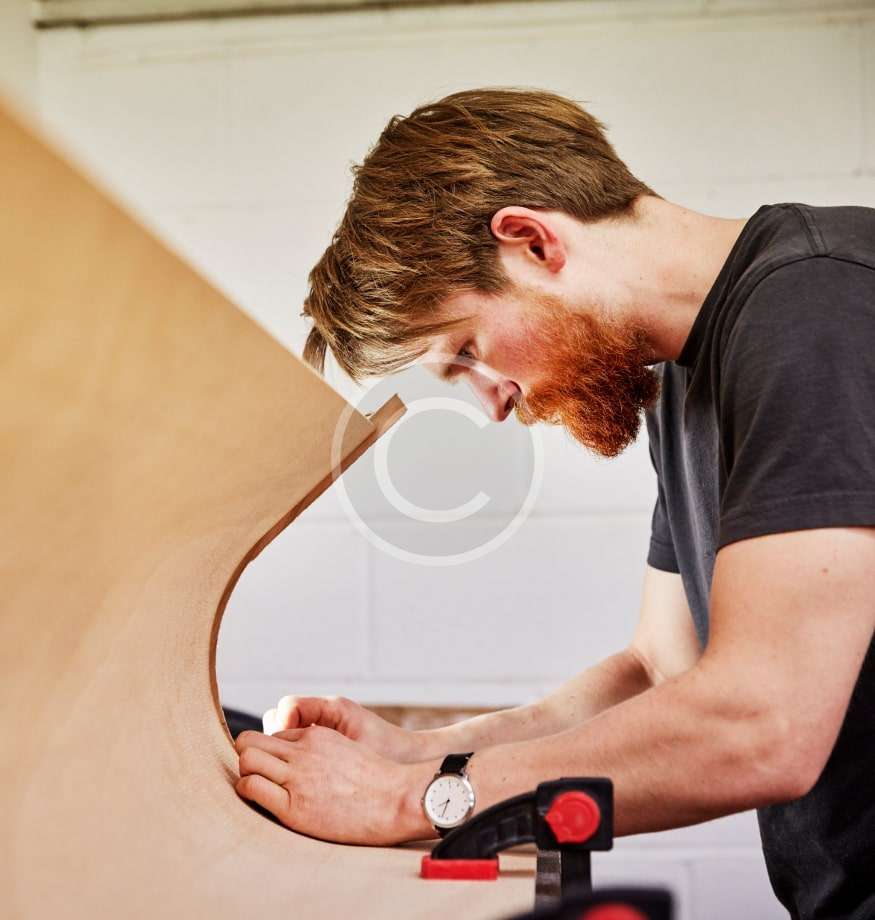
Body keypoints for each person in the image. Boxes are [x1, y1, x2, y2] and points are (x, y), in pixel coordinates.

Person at [233, 88, 875, 919]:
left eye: (466, 351)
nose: (492, 405)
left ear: (532, 241)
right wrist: (415, 753)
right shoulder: (689, 373)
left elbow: (761, 723)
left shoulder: (817, 311)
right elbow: (659, 669)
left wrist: (409, 800)